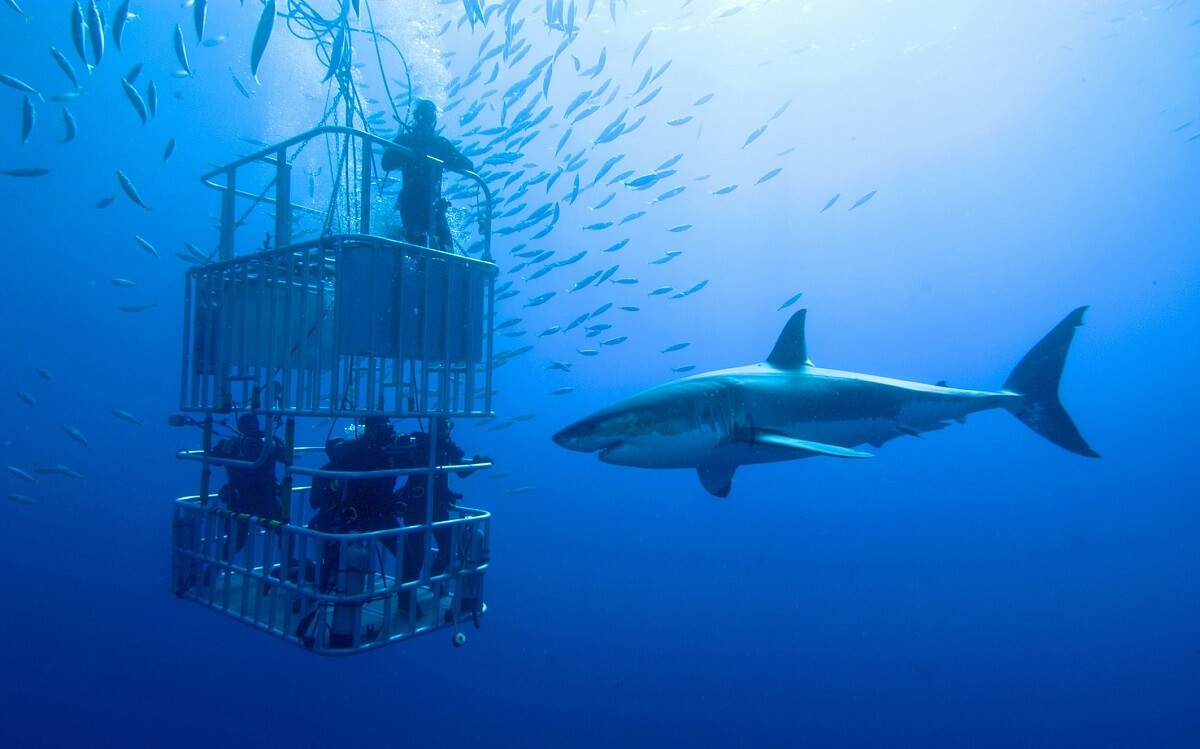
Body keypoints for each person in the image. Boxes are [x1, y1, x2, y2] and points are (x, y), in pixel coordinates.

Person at [393, 419, 485, 614]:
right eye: (440, 426)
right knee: (415, 554)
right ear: (431, 427)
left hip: (437, 505)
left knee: (449, 548)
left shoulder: (447, 446)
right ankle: (405, 599)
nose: (444, 430)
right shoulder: (419, 441)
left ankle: (434, 578)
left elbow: (460, 472)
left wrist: (477, 464)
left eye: (446, 426)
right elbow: (403, 460)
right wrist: (403, 447)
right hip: (416, 504)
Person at [380, 98, 474, 252]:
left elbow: (468, 165)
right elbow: (386, 164)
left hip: (433, 206)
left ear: (433, 121)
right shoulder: (405, 140)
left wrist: (445, 159)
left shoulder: (439, 144)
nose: (424, 122)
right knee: (416, 249)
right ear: (415, 118)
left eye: (428, 119)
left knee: (446, 252)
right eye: (421, 117)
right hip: (409, 203)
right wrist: (407, 151)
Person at [211, 413, 284, 552]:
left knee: (286, 533)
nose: (250, 428)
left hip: (264, 496)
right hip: (241, 498)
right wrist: (222, 449)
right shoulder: (232, 443)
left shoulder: (268, 440)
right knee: (237, 541)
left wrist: (275, 448)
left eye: (252, 425)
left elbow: (288, 456)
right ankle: (211, 571)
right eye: (247, 425)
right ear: (239, 428)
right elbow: (213, 460)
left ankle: (288, 565)